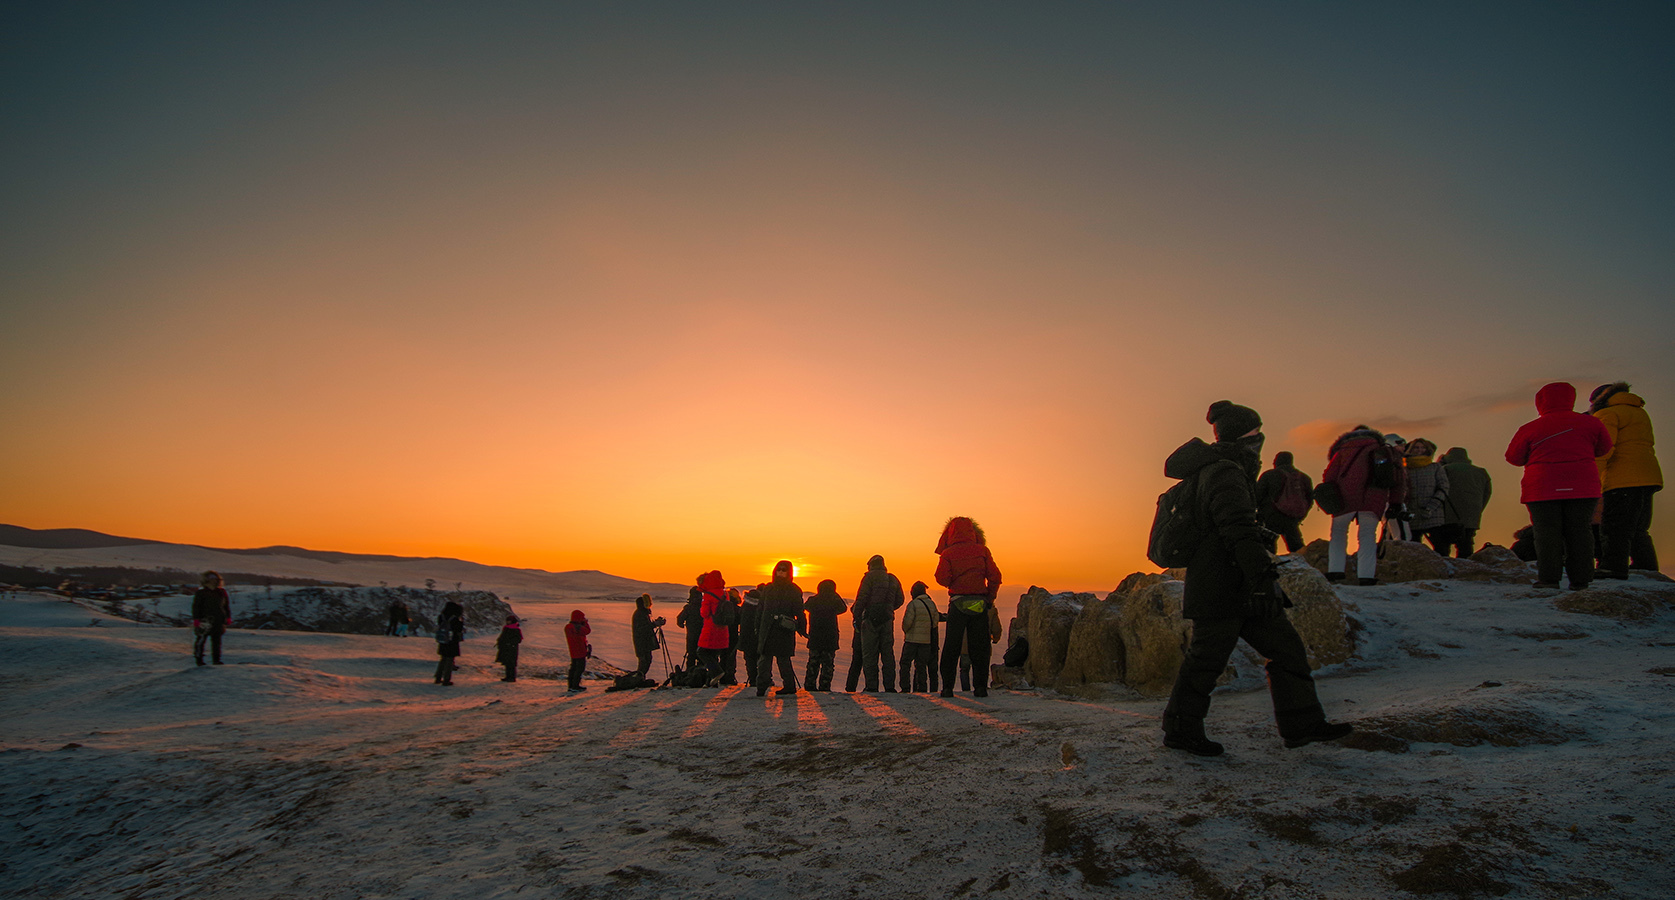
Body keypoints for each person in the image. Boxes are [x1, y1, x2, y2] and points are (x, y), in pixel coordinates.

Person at [1161, 400, 1354, 756]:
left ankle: (1303, 725)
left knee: (1287, 650)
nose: (1260, 437)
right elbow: (1235, 530)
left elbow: (1239, 529)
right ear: (1241, 435)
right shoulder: (1225, 471)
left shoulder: (1231, 469)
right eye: (1254, 431)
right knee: (1206, 661)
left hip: (1237, 581)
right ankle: (1180, 730)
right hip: (1223, 582)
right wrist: (1262, 577)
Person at [1505, 382, 1613, 590]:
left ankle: (1549, 579)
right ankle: (1581, 579)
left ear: (1541, 402)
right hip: (1582, 486)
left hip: (1542, 488)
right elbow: (1603, 449)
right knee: (1580, 532)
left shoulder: (1530, 428)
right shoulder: (1591, 423)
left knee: (1546, 534)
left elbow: (1514, 458)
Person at [1590, 382, 1663, 578]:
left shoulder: (1608, 414)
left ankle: (1612, 567)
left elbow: (1605, 448)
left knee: (1615, 525)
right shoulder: (1639, 412)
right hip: (1649, 475)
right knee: (1639, 527)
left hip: (1622, 477)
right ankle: (1646, 567)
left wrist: (1593, 477)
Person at [1322, 425, 1397, 586]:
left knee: (1338, 533)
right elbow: (1396, 478)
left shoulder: (1342, 451)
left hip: (1345, 498)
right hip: (1374, 498)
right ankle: (1366, 576)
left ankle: (1335, 571)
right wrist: (1395, 502)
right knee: (1367, 536)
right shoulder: (1382, 449)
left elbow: (1329, 475)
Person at [935, 517, 1002, 698]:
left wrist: (954, 579)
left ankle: (947, 688)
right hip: (979, 604)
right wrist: (989, 597)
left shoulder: (948, 554)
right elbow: (995, 576)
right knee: (980, 647)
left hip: (957, 604)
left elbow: (941, 578)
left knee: (951, 647)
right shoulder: (983, 551)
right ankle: (980, 687)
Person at [852, 555, 905, 692]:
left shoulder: (869, 577)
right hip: (887, 620)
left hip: (870, 620)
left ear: (870, 565)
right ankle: (890, 686)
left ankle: (872, 686)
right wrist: (888, 608)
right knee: (888, 654)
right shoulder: (892, 579)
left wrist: (857, 615)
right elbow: (900, 599)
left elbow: (862, 598)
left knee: (870, 654)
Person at [754, 560, 807, 697]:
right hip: (767, 629)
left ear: (789, 572)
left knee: (783, 660)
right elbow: (760, 610)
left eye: (784, 570)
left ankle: (789, 686)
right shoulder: (768, 589)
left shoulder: (793, 589)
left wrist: (802, 628)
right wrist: (757, 627)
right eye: (779, 569)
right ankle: (761, 687)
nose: (781, 572)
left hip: (784, 630)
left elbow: (799, 611)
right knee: (764, 660)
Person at [1436, 447, 1492, 557]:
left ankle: (1445, 570)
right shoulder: (1481, 472)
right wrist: (1478, 509)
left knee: (1442, 544)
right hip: (1472, 514)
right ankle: (1467, 568)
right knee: (1466, 544)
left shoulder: (1445, 469)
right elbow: (1487, 493)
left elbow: (1437, 488)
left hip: (1448, 514)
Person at [1254, 451, 1314, 553]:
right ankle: (1304, 565)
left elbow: (1257, 496)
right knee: (1296, 547)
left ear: (1277, 461)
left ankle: (1270, 566)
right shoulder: (1304, 478)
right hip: (1292, 518)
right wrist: (1299, 516)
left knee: (1267, 548)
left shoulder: (1269, 475)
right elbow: (1309, 500)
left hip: (1270, 516)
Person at [1402, 439, 1451, 552]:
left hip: (1433, 513)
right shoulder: (1405, 469)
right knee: (1413, 548)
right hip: (1412, 513)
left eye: (1422, 447)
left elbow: (1443, 487)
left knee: (1441, 547)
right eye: (1416, 447)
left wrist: (1431, 507)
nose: (1420, 450)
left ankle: (1442, 568)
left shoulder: (1435, 467)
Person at [802, 579, 847, 692]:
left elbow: (805, 606)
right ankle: (825, 686)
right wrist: (835, 594)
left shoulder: (813, 600)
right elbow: (843, 608)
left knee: (813, 662)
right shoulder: (834, 601)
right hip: (830, 637)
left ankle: (810, 685)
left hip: (815, 636)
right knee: (828, 664)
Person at [898, 580, 940, 693]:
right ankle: (922, 688)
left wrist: (906, 631)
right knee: (921, 665)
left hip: (911, 640)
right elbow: (935, 622)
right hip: (926, 641)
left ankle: (905, 687)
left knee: (905, 663)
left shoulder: (913, 604)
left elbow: (907, 623)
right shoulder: (932, 604)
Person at [191, 570, 231, 666]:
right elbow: (196, 606)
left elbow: (226, 606)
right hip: (204, 621)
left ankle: (216, 660)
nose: (213, 581)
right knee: (201, 640)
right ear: (206, 580)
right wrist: (196, 619)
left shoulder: (222, 592)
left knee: (217, 642)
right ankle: (199, 660)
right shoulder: (201, 593)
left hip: (219, 620)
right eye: (211, 579)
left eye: (215, 579)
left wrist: (228, 617)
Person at [696, 570, 729, 685]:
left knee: (702, 652)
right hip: (723, 629)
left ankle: (716, 672)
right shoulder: (725, 594)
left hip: (711, 628)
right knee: (714, 654)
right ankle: (712, 680)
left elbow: (704, 613)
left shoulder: (708, 595)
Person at [631, 594, 665, 678]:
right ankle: (638, 678)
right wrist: (655, 624)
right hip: (642, 641)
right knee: (644, 660)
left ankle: (640, 678)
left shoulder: (642, 613)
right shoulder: (640, 614)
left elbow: (645, 626)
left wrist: (655, 623)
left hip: (643, 641)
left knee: (646, 660)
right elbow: (642, 628)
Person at [675, 579, 703, 671]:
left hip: (691, 635)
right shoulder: (704, 607)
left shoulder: (689, 608)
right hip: (703, 635)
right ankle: (701, 674)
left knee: (691, 655)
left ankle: (690, 673)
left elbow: (679, 620)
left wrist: (682, 625)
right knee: (702, 655)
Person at [434, 600, 463, 685]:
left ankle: (438, 677)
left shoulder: (441, 616)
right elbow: (459, 629)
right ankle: (446, 679)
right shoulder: (454, 618)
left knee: (443, 659)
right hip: (452, 641)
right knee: (449, 660)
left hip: (443, 640)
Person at [739, 588, 762, 687]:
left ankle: (753, 679)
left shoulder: (744, 606)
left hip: (746, 636)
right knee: (760, 659)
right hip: (758, 637)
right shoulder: (760, 608)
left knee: (749, 660)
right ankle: (761, 678)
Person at [564, 609, 592, 692]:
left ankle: (571, 685)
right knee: (579, 669)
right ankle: (575, 686)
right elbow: (587, 631)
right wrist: (585, 623)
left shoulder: (568, 627)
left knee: (573, 668)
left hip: (573, 651)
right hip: (580, 650)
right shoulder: (578, 627)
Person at [720, 588, 743, 685]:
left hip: (721, 634)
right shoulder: (738, 609)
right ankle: (729, 677)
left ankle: (721, 676)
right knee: (731, 657)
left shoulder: (721, 607)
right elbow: (742, 622)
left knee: (723, 656)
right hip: (732, 635)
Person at [494, 614, 522, 682]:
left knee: (511, 663)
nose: (508, 622)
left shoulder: (515, 629)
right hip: (507, 648)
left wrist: (509, 643)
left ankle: (511, 677)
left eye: (509, 621)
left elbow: (518, 639)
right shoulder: (507, 628)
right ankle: (508, 676)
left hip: (511, 648)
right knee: (507, 663)